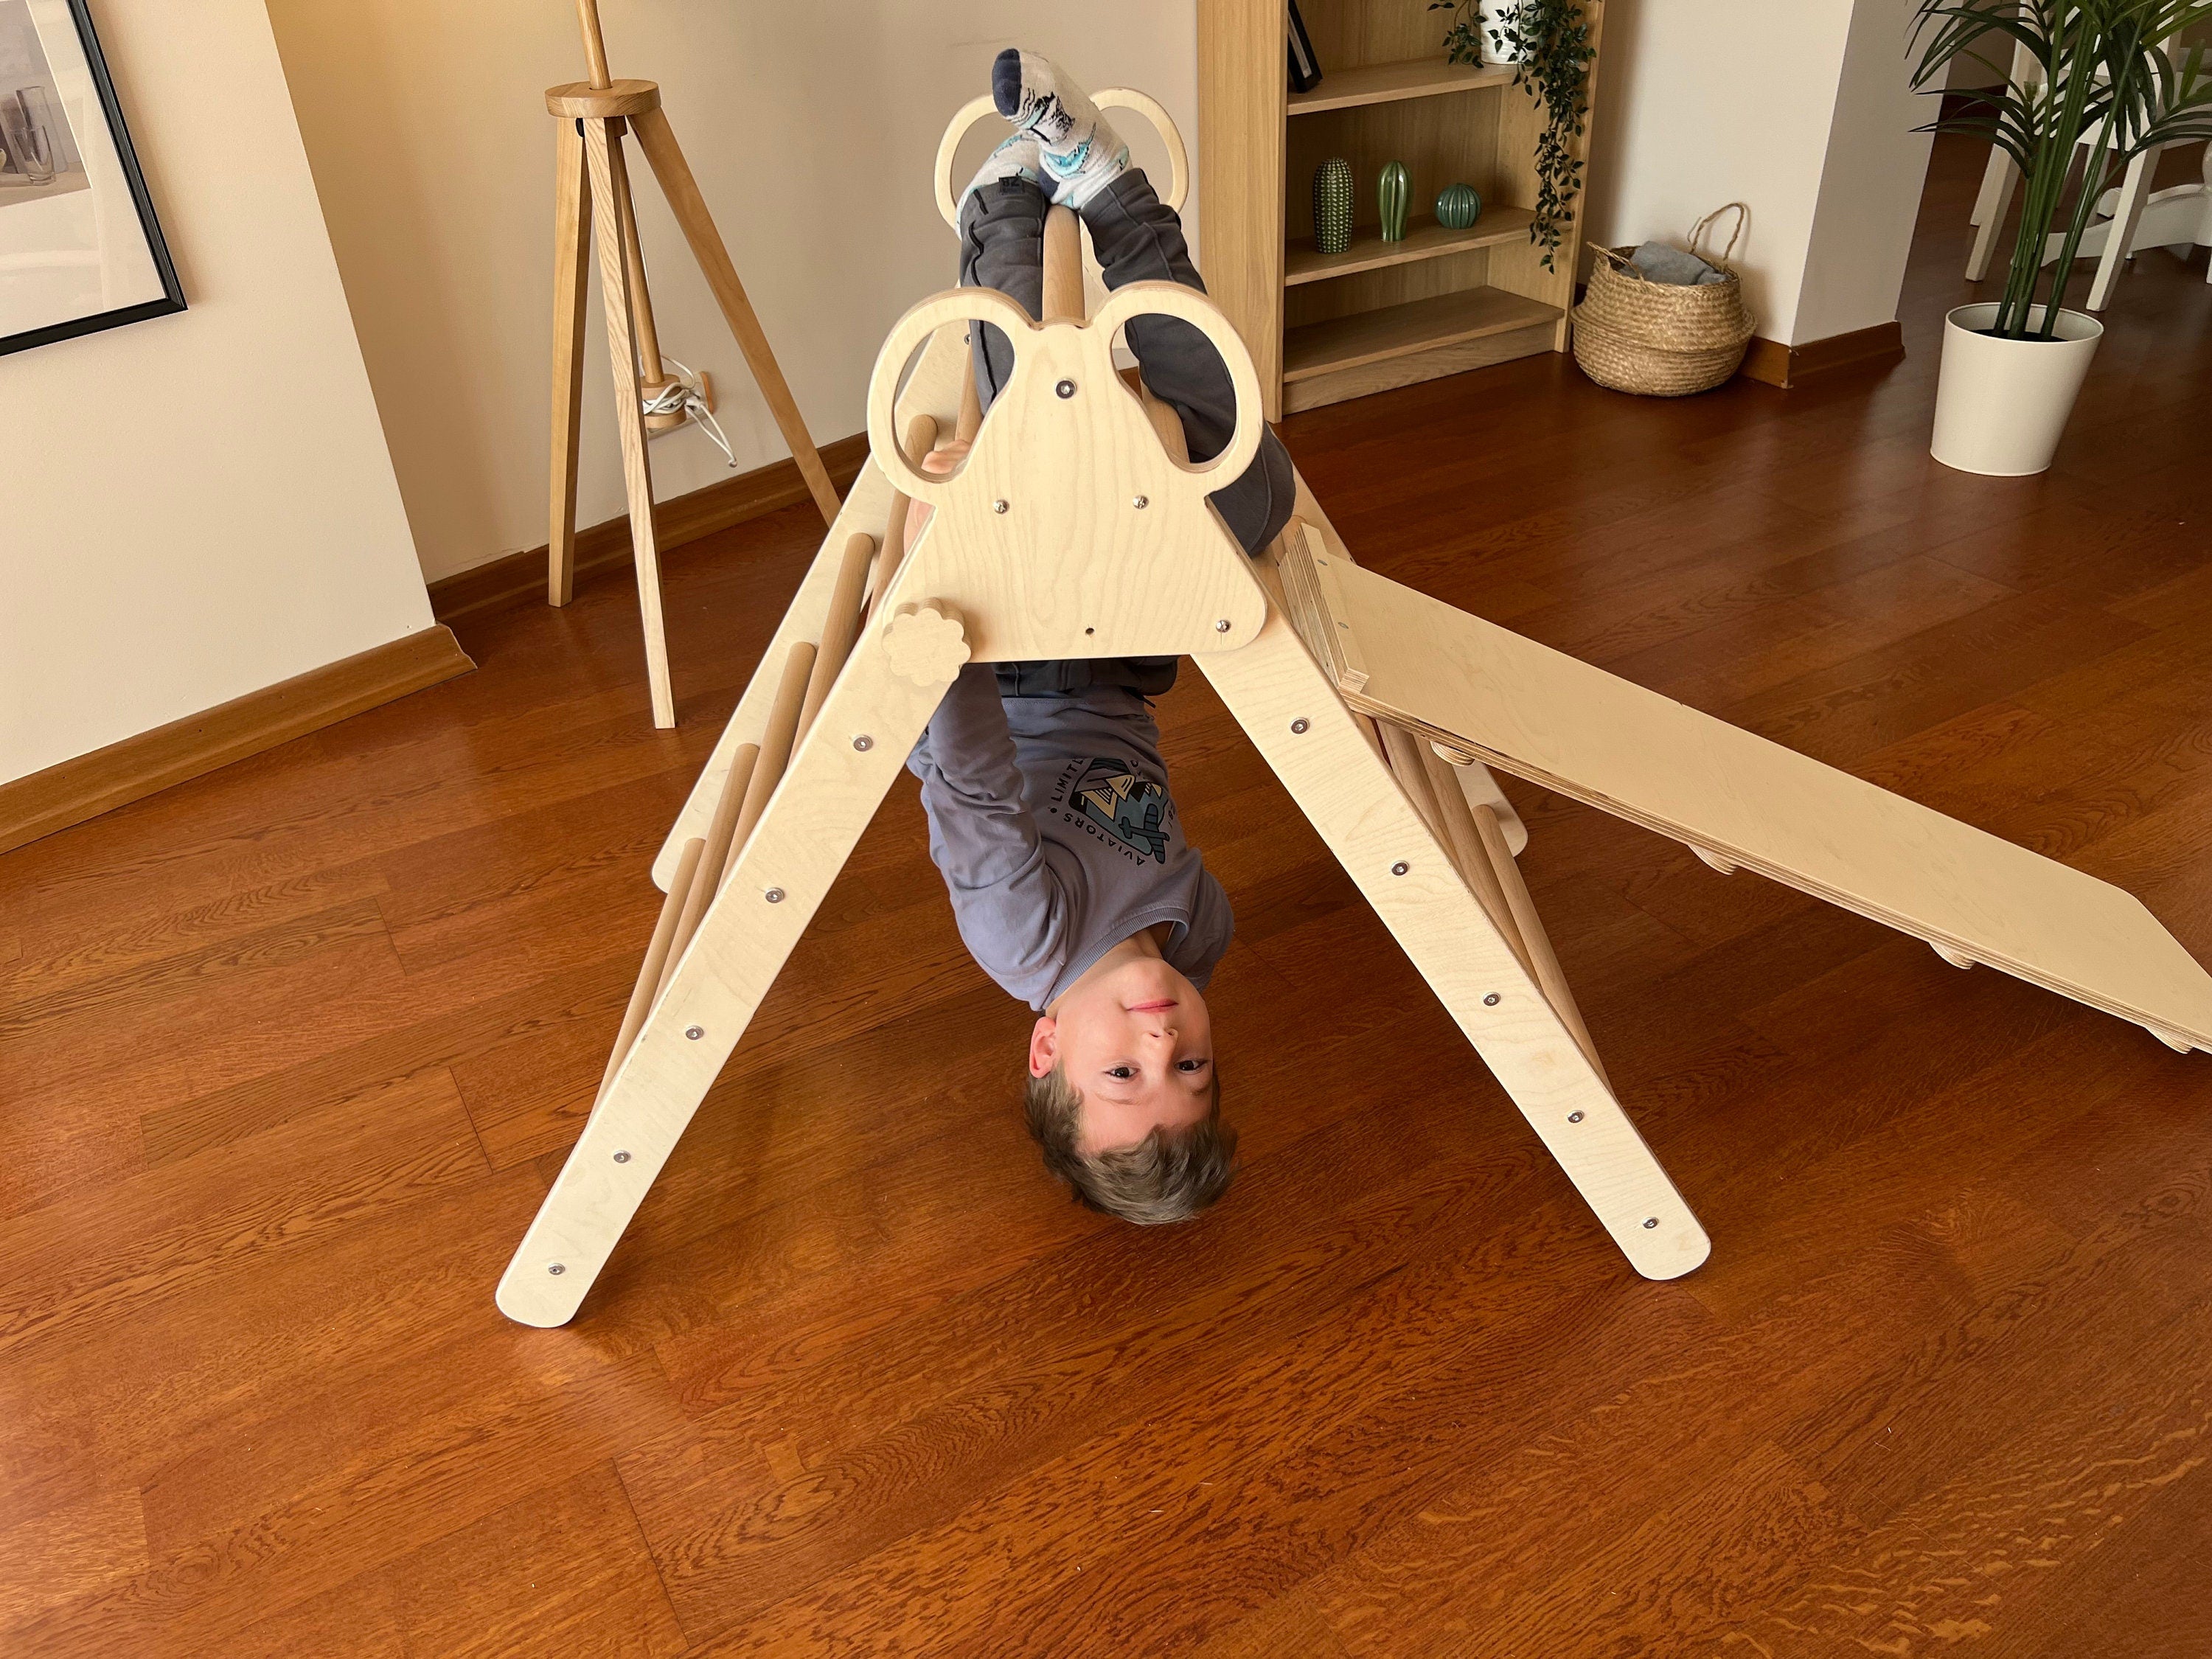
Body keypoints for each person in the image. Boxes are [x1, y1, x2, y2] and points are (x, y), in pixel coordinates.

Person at [901, 51, 1296, 1224]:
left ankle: (1006, 207)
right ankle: (1111, 195)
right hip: (1121, 660)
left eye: (1122, 1072)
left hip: (1003, 659)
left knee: (1036, 423)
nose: (1163, 1037)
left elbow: (966, 779)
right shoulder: (1199, 930)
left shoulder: (1023, 937)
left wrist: (945, 562)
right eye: (1193, 1068)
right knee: (1252, 488)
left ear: (1046, 1048)